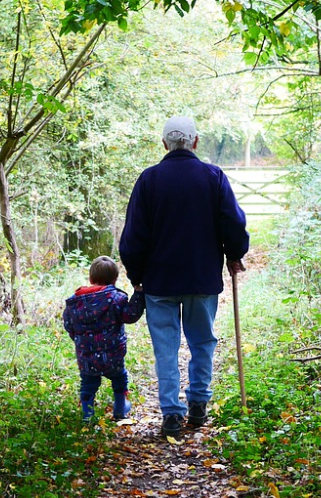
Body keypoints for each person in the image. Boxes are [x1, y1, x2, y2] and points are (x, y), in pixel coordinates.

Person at [119, 116, 249, 437]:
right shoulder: (213, 177)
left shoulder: (149, 180)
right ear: (195, 141)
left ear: (164, 144)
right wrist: (235, 254)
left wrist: (136, 276)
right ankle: (199, 405)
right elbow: (232, 222)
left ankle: (172, 415)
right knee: (202, 341)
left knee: (166, 347)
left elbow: (133, 236)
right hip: (201, 279)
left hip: (158, 282)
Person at [63, 256, 146, 422]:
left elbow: (69, 325)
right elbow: (130, 315)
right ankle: (120, 409)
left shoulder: (75, 302)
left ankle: (87, 415)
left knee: (88, 384)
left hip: (86, 355)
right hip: (113, 354)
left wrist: (81, 342)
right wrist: (138, 295)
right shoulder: (117, 299)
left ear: (91, 278)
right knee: (119, 378)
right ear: (114, 280)